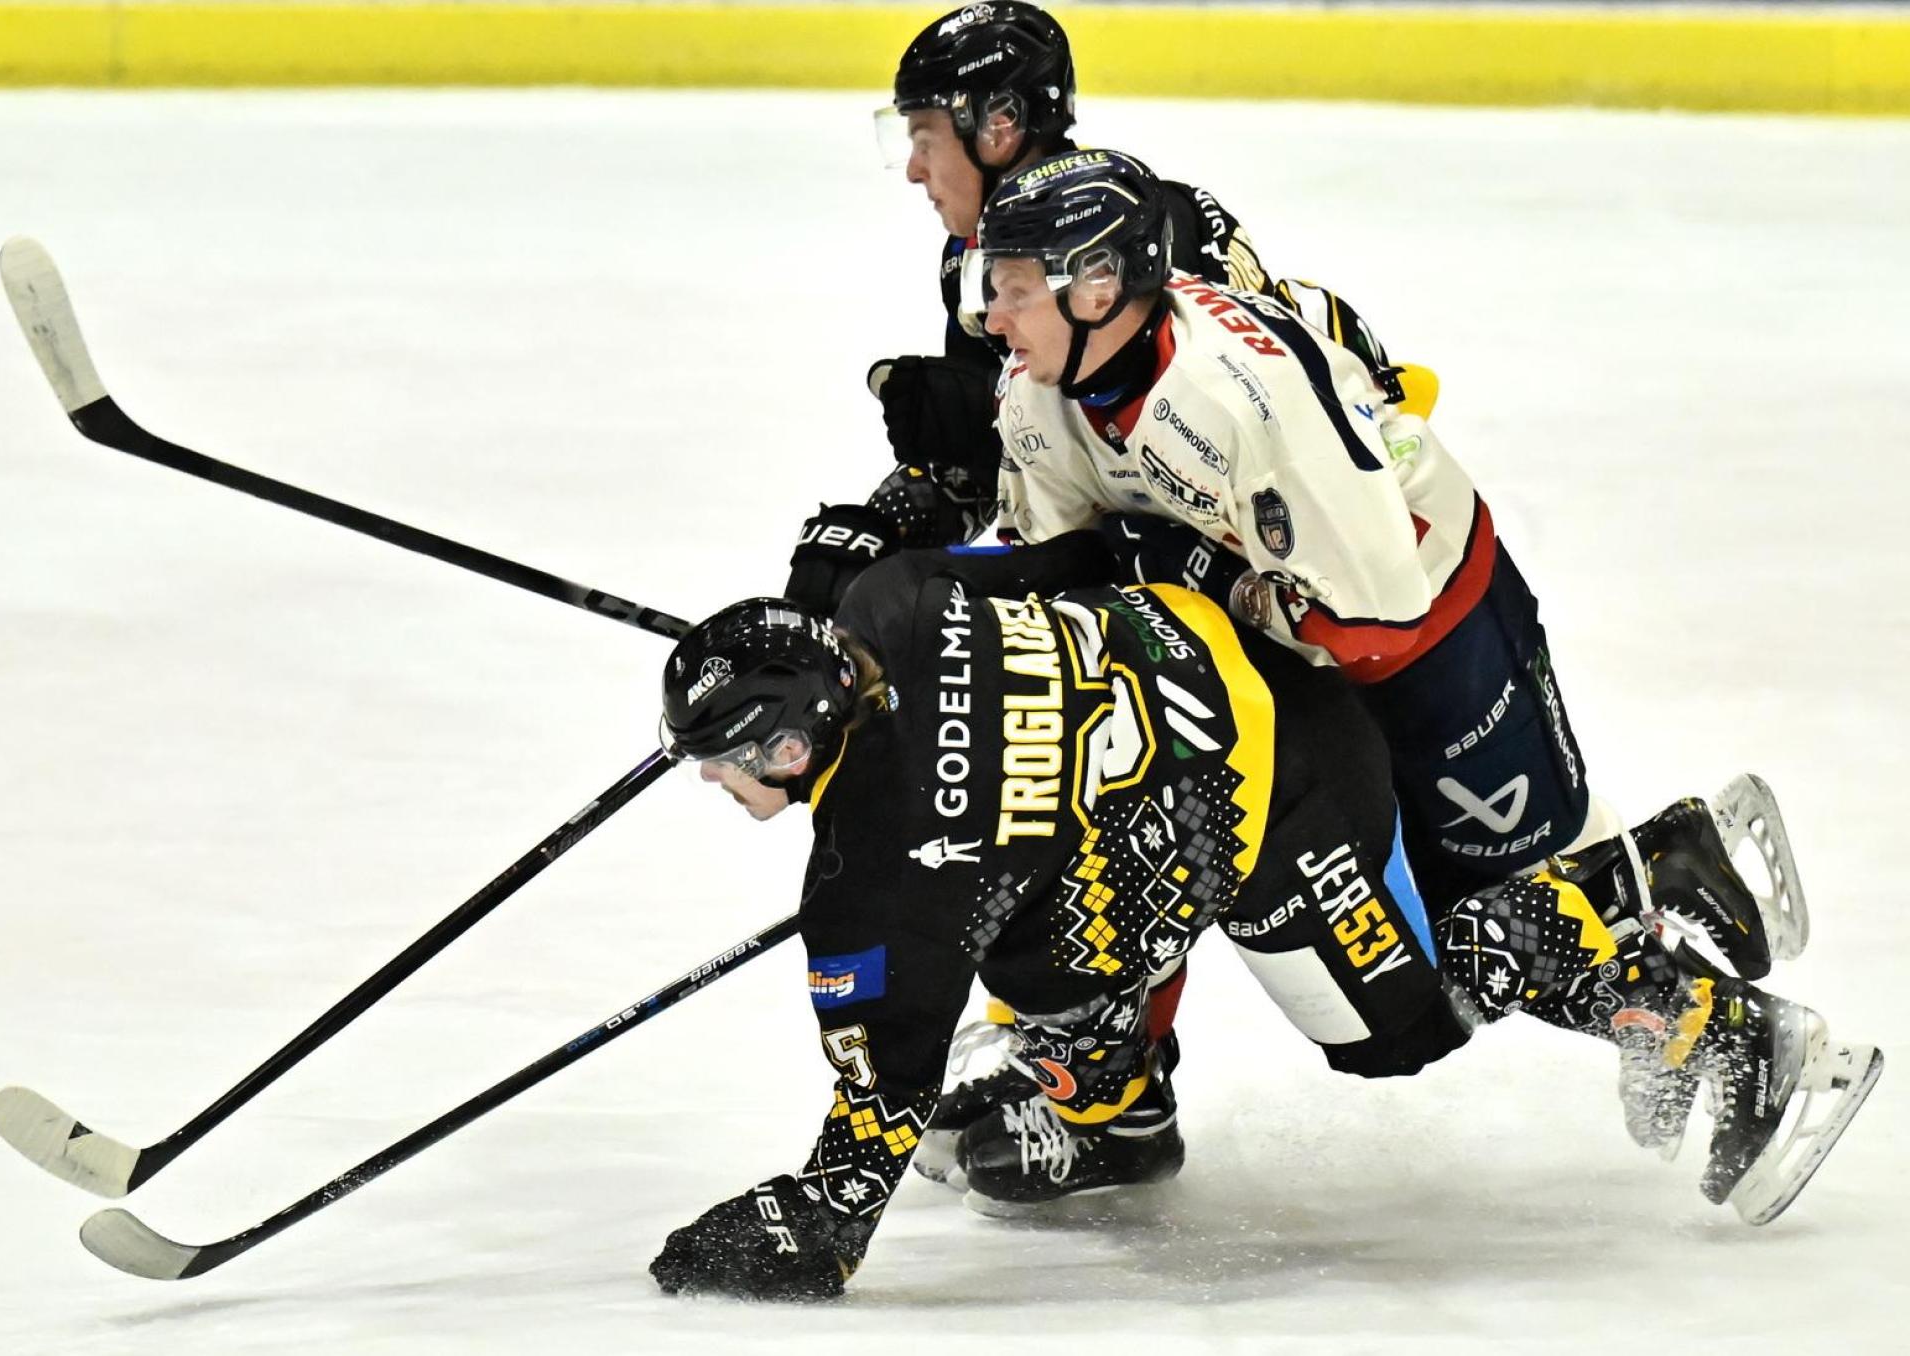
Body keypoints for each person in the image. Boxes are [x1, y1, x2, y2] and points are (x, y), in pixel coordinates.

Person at [645, 570, 1879, 1301]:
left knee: (1416, 1018)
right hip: (1239, 667)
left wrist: (743, 1244)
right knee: (1046, 923)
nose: (713, 784)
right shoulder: (890, 601)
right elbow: (990, 546)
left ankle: (1700, 978)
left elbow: (846, 1183)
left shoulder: (880, 887)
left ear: (790, 744)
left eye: (722, 762)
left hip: (1288, 807)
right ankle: (1113, 1108)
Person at [966, 146, 1828, 1141]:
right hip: (1302, 663)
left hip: (1433, 635)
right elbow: (1064, 567)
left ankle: (1662, 898)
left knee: (1497, 918)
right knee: (1447, 950)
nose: (992, 315)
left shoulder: (1242, 400)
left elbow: (1376, 623)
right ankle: (1698, 996)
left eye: (1017, 289)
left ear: (1102, 288)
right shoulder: (1039, 392)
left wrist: (1197, 579)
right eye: (991, 285)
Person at [780, 1, 1419, 1182]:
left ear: (1002, 122)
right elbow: (1028, 456)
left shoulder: (1141, 232)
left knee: (1092, 761)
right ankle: (1108, 1084)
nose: (914, 165)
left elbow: (1196, 447)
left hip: (1276, 593)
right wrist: (908, 505)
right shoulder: (1003, 252)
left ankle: (1110, 1087)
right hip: (1151, 572)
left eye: (926, 131)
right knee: (1072, 753)